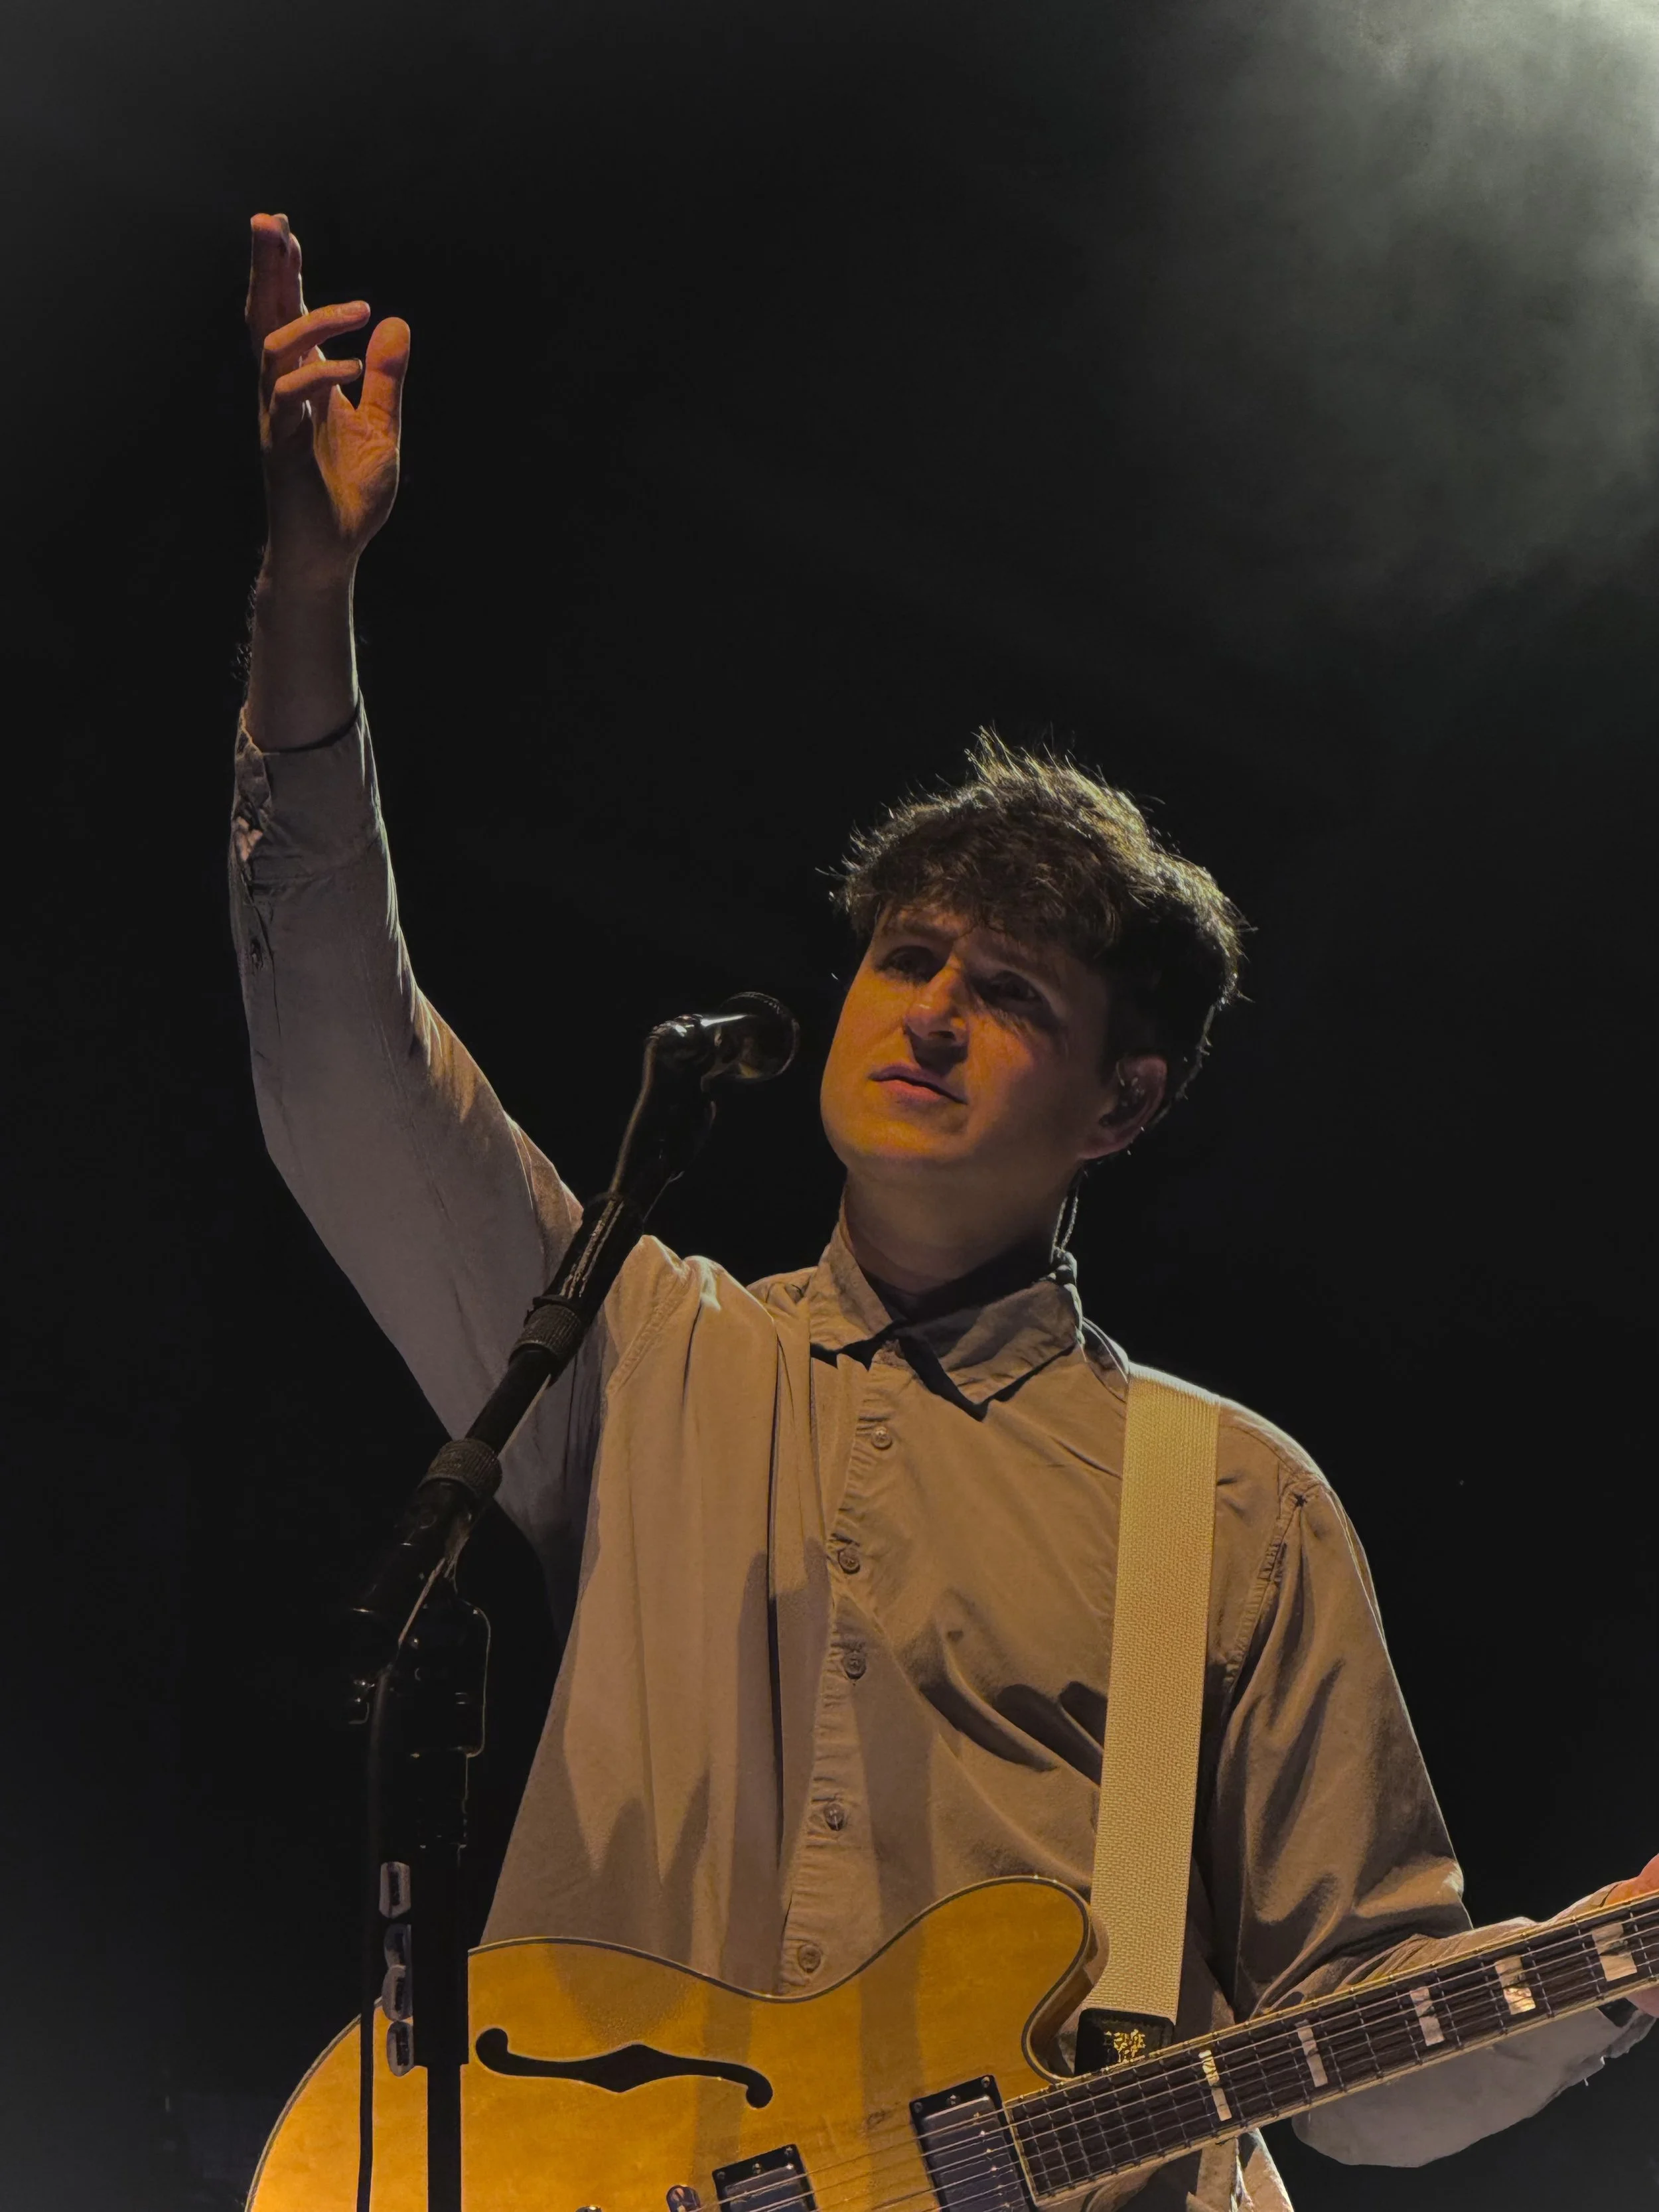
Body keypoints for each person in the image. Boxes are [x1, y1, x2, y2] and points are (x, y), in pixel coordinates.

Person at [232, 212, 1655, 2211]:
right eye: (907, 957)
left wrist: (1614, 1962)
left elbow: (1359, 2062)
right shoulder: (639, 1351)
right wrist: (305, 605)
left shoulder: (1230, 1510)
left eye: (1009, 993)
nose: (928, 1012)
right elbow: (343, 1076)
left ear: (1124, 1102)